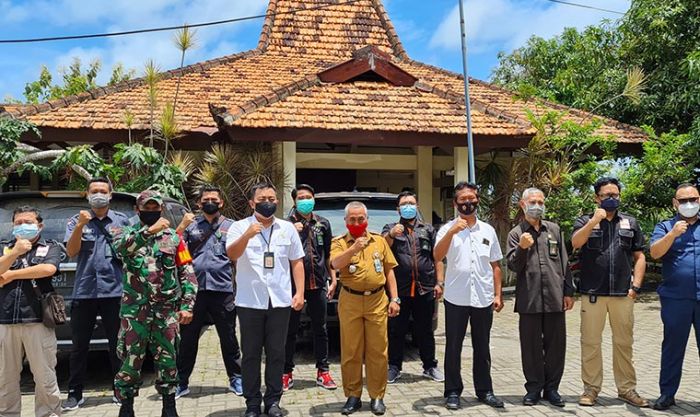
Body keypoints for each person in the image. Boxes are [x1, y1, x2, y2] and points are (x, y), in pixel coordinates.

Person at [113, 190, 198, 417]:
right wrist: (148, 231)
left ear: (161, 209)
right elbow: (120, 249)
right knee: (131, 360)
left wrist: (187, 305)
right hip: (135, 312)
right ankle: (127, 405)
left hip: (166, 311)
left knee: (168, 358)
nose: (151, 212)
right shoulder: (124, 233)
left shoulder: (174, 238)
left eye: (155, 208)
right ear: (137, 210)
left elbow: (187, 273)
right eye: (146, 208)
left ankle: (169, 405)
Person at [226, 182, 305, 417]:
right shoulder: (239, 227)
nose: (267, 202)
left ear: (278, 201)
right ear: (252, 203)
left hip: (280, 301)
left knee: (276, 353)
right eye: (262, 199)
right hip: (250, 302)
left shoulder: (287, 228)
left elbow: (297, 262)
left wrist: (299, 293)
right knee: (250, 354)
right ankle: (252, 402)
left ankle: (273, 401)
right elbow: (232, 255)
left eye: (271, 198)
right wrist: (248, 235)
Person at [571, 177, 648, 407]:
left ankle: (627, 389)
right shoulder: (585, 220)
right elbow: (575, 243)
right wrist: (593, 221)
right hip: (593, 293)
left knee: (624, 343)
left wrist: (636, 287)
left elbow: (640, 255)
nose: (611, 198)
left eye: (615, 195)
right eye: (606, 195)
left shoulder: (630, 223)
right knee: (591, 343)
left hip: (623, 294)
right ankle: (591, 389)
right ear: (597, 198)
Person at [434, 181, 505, 410]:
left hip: (483, 297)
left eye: (471, 199)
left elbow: (495, 265)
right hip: (456, 297)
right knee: (453, 347)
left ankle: (485, 391)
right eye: (462, 200)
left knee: (482, 346)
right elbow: (437, 255)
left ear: (477, 200)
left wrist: (498, 294)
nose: (467, 203)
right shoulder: (447, 229)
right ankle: (453, 391)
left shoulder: (488, 230)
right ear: (455, 203)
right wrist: (452, 231)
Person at [63, 177, 130, 410]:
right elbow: (71, 252)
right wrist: (81, 225)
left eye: (103, 191)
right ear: (87, 195)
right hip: (84, 291)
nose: (99, 194)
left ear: (110, 195)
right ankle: (75, 393)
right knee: (79, 346)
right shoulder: (75, 221)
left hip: (115, 291)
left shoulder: (122, 221)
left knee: (117, 345)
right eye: (94, 191)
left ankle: (120, 390)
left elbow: (131, 253)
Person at [506, 188, 574, 407]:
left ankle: (552, 389)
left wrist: (568, 292)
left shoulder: (553, 229)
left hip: (555, 297)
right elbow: (513, 266)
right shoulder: (516, 233)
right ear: (522, 205)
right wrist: (522, 249)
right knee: (531, 347)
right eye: (533, 201)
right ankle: (534, 388)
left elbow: (564, 263)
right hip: (530, 299)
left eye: (541, 201)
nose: (537, 205)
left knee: (556, 346)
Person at [331, 201, 400, 416]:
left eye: (360, 219)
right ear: (346, 221)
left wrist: (395, 298)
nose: (357, 222)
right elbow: (335, 264)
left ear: (367, 220)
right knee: (351, 350)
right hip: (350, 300)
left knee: (378, 350)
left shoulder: (379, 241)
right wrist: (353, 248)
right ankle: (353, 396)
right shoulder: (340, 242)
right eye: (352, 219)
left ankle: (377, 396)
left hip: (377, 300)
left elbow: (389, 271)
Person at [174, 185, 242, 398]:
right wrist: (181, 225)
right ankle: (181, 381)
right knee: (188, 338)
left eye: (214, 198)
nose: (210, 202)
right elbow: (171, 246)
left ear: (221, 203)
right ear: (199, 203)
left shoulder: (232, 226)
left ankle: (236, 379)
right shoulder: (190, 225)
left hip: (223, 289)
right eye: (206, 199)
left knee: (229, 336)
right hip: (193, 291)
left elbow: (239, 257)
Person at [0, 206, 63, 417]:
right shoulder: (4, 248)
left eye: (27, 222)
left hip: (38, 320)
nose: (22, 226)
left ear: (39, 225)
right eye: (18, 223)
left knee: (45, 377)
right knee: (4, 379)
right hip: (5, 320)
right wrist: (15, 253)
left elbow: (48, 269)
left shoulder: (51, 247)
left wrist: (10, 275)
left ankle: (49, 414)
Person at [382, 191, 444, 384]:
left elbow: (438, 258)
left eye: (411, 203)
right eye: (404, 204)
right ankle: (394, 367)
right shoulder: (390, 228)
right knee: (396, 330)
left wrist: (439, 282)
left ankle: (430, 366)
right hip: (399, 290)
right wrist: (391, 235)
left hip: (425, 288)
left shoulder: (428, 229)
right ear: (398, 209)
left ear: (417, 206)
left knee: (425, 330)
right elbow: (382, 248)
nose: (408, 206)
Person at [649, 183, 700, 410]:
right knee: (672, 348)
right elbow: (655, 253)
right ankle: (667, 395)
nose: (689, 204)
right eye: (683, 200)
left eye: (694, 199)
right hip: (675, 299)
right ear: (675, 203)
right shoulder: (665, 226)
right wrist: (672, 234)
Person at [284, 184, 338, 391]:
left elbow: (329, 253)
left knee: (320, 328)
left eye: (309, 197)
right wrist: (291, 232)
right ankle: (286, 372)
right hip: (292, 286)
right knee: (290, 330)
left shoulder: (322, 224)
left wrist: (332, 279)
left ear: (313, 199)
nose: (305, 200)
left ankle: (323, 372)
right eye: (301, 197)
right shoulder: (286, 225)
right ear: (295, 201)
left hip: (318, 284)